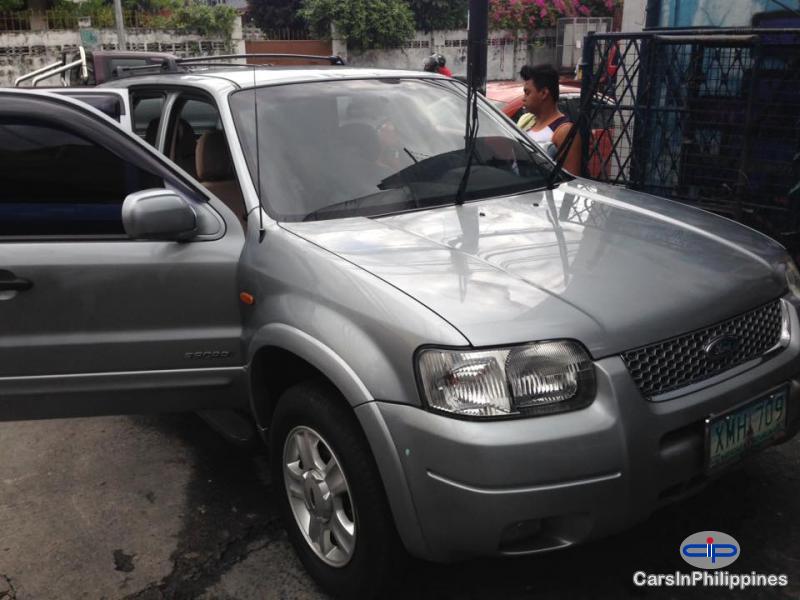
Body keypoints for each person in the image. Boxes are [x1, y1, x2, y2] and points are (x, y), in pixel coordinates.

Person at [519, 63, 581, 175]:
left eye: (527, 93)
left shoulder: (563, 131)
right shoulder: (527, 123)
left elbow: (571, 179)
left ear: (543, 93)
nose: (523, 99)